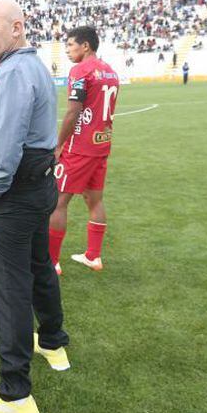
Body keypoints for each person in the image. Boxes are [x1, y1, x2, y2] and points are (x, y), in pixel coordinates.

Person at [0, 0, 70, 413]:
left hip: (14, 192)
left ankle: (15, 395)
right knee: (39, 265)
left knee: (9, 288)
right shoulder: (32, 66)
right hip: (38, 184)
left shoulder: (12, 73)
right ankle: (52, 342)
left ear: (17, 27)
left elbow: (6, 148)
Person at [48, 26, 119, 274]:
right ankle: (93, 256)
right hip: (102, 144)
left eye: (70, 45)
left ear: (85, 45)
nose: (67, 50)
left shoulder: (80, 70)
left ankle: (51, 262)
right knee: (94, 200)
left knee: (57, 201)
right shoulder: (110, 71)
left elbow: (73, 111)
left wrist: (58, 145)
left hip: (80, 147)